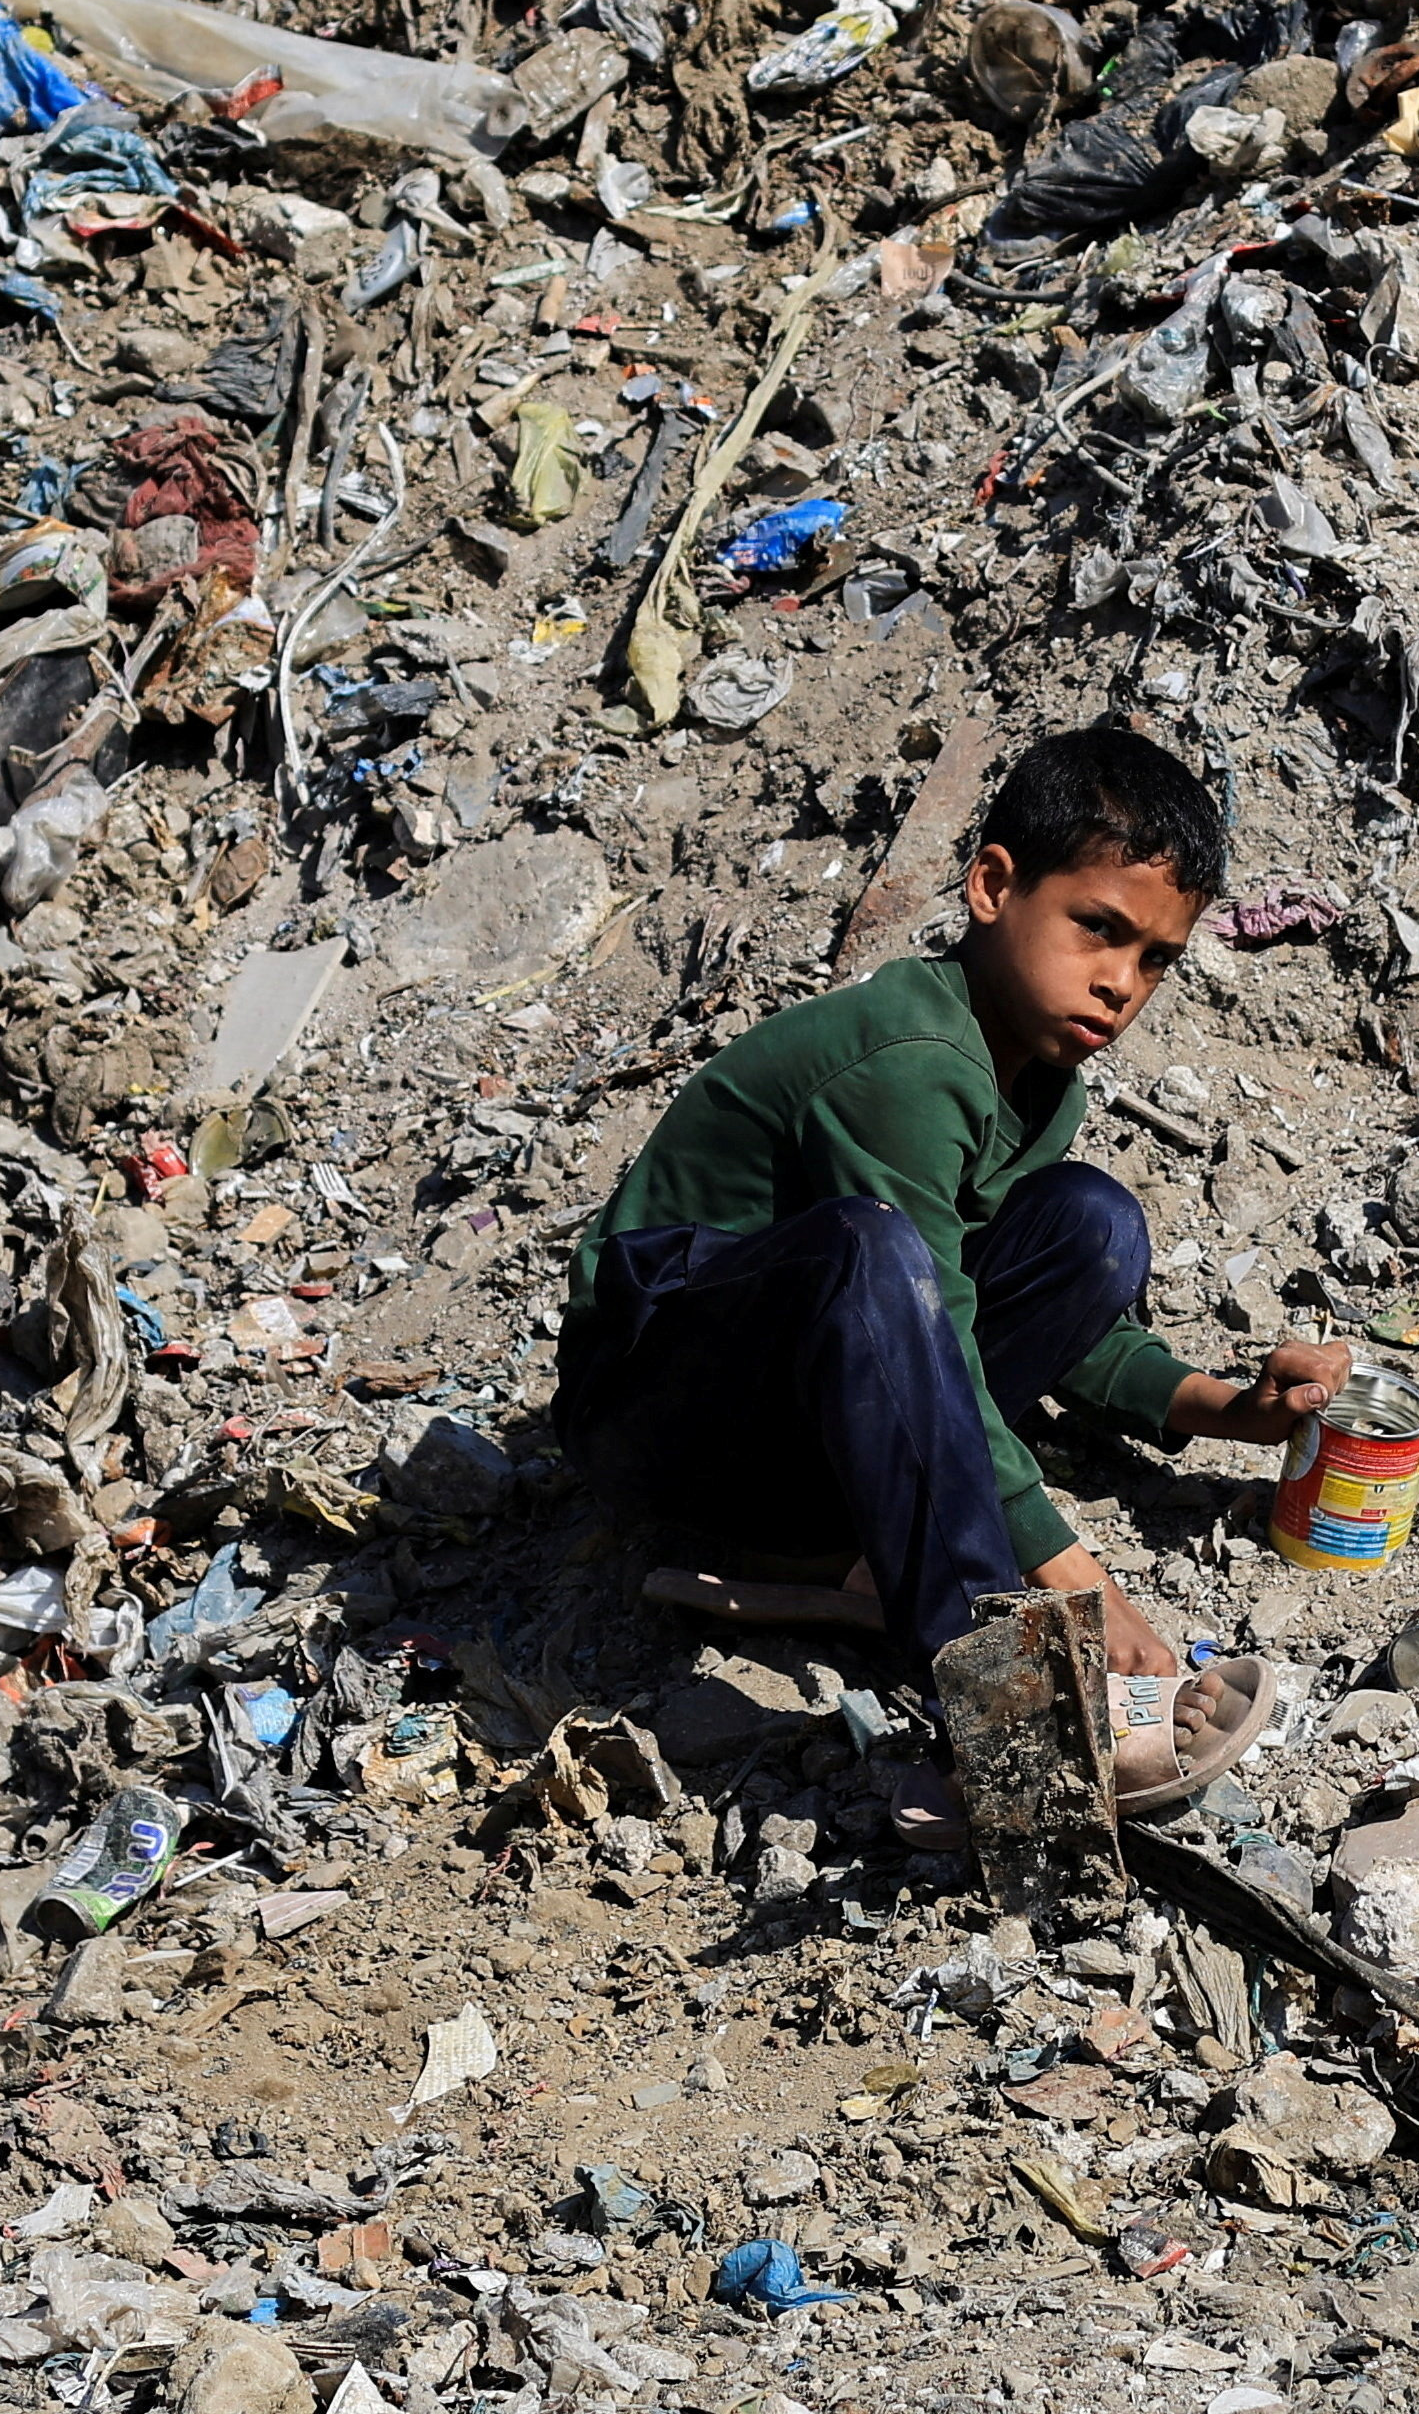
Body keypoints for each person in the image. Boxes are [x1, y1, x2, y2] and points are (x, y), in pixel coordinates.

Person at [554, 725, 1349, 1822]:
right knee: (870, 1248)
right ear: (992, 885)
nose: (1121, 981)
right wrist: (1074, 1575)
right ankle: (1015, 1727)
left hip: (804, 1419)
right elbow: (903, 1291)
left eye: (1155, 956)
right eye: (1098, 928)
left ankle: (857, 1561)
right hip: (659, 1420)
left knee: (1091, 1224)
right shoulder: (912, 1059)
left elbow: (956, 1303)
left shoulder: (1035, 1075)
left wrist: (1218, 1408)